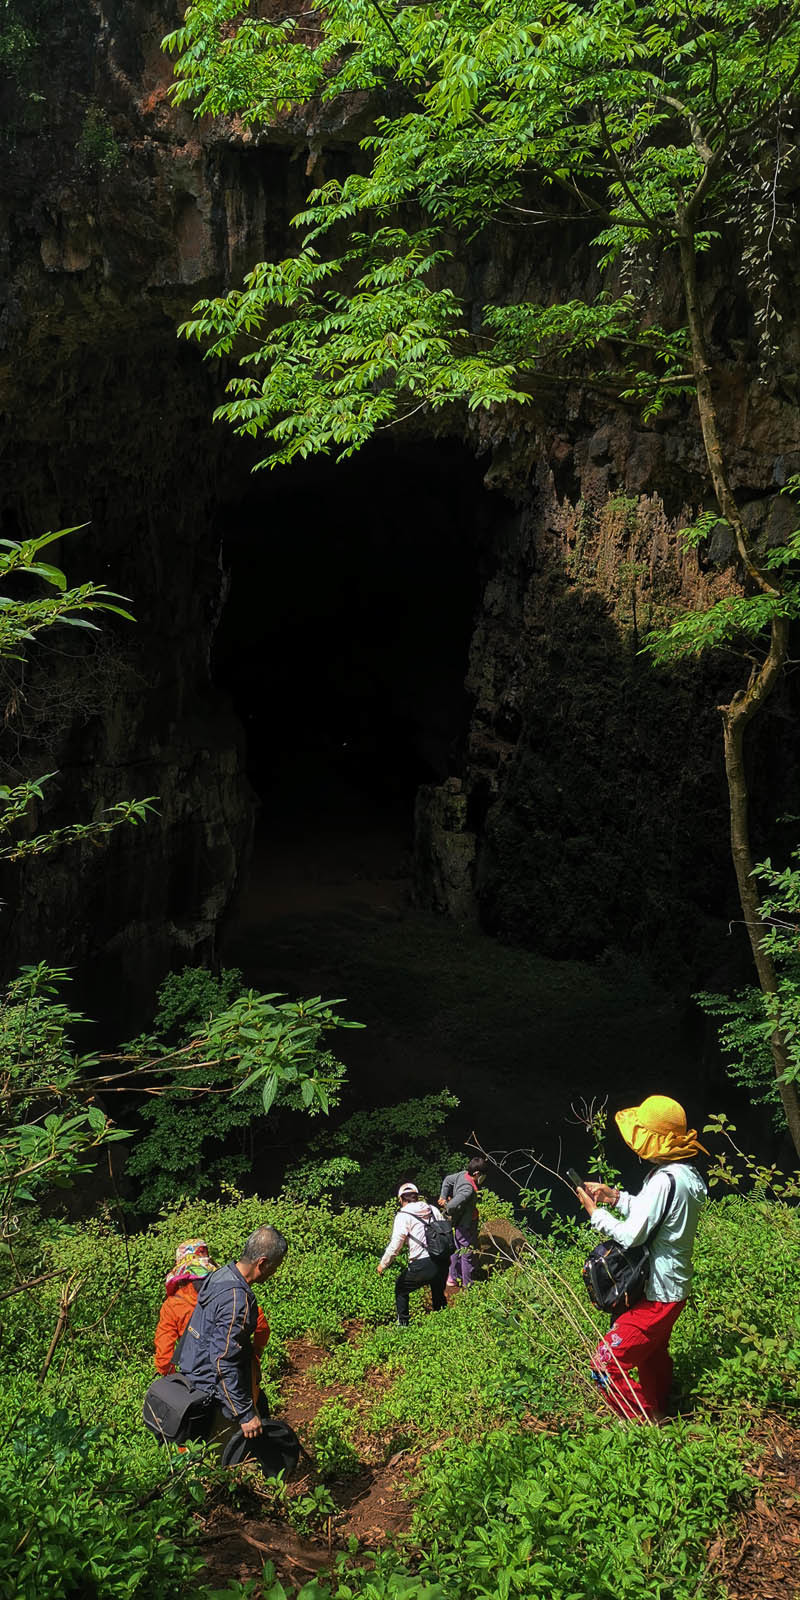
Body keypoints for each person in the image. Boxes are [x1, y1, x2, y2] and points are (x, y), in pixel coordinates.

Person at [577, 1095, 708, 1424]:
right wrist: (615, 1197)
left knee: (604, 1364)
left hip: (658, 1294)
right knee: (652, 1355)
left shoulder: (664, 1180)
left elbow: (632, 1235)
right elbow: (656, 1214)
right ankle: (660, 1407)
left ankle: (646, 1420)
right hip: (673, 1286)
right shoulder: (684, 1175)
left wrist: (595, 1213)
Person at [178, 1224, 288, 1453]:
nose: (275, 1273)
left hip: (192, 1376)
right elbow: (223, 1361)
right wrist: (245, 1414)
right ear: (262, 1263)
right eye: (275, 1267)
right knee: (228, 1457)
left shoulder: (221, 1274)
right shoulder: (237, 1299)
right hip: (212, 1392)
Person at [153, 1237, 270, 1387]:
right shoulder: (229, 1292)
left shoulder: (172, 1305)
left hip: (197, 1378)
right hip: (236, 1373)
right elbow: (262, 1327)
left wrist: (177, 1381)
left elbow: (164, 1357)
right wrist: (256, 1354)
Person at [378, 1181, 450, 1326]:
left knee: (401, 1288)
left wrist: (383, 1265)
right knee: (438, 1292)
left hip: (422, 1263)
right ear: (417, 1196)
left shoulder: (403, 1215)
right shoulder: (432, 1209)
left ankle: (403, 1325)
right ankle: (443, 1324)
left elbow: (396, 1245)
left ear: (401, 1199)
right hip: (442, 1260)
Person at [438, 1156, 488, 1290]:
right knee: (467, 1253)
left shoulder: (462, 1175)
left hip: (460, 1221)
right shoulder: (468, 1189)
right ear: (477, 1173)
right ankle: (468, 1285)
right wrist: (447, 1204)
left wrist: (443, 1196)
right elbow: (451, 1206)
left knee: (456, 1247)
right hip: (465, 1224)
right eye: (483, 1175)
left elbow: (447, 1180)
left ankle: (452, 1278)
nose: (484, 1177)